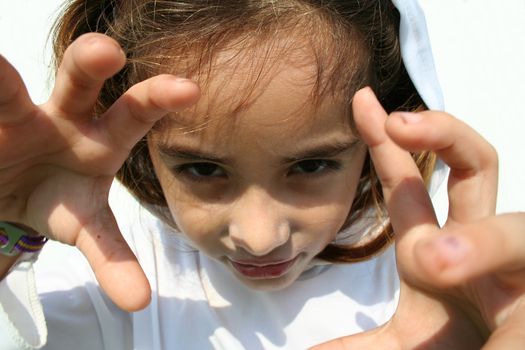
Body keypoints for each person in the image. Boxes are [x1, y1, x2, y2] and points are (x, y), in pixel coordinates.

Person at [1, 0, 524, 348]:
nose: (259, 237)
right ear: (142, 151)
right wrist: (9, 235)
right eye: (203, 169)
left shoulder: (461, 284)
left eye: (312, 165)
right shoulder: (116, 282)